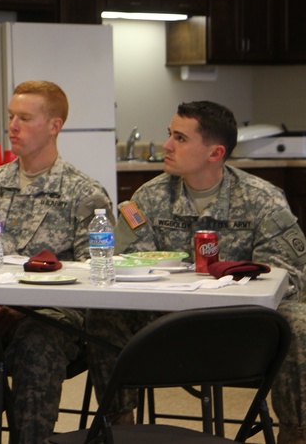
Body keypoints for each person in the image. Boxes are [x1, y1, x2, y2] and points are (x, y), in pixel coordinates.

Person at [87, 100, 306, 444]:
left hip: (240, 327)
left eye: (180, 138)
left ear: (215, 152)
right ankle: (117, 427)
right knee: (104, 317)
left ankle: (296, 432)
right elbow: (126, 261)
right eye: (169, 134)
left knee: (298, 321)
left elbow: (288, 278)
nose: (167, 146)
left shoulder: (262, 200)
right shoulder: (150, 196)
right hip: (164, 324)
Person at [0, 80, 112, 444]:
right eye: (10, 117)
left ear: (54, 125)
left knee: (38, 342)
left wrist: (27, 304)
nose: (13, 126)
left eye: (24, 117)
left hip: (53, 316)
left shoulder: (84, 192)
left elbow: (94, 268)